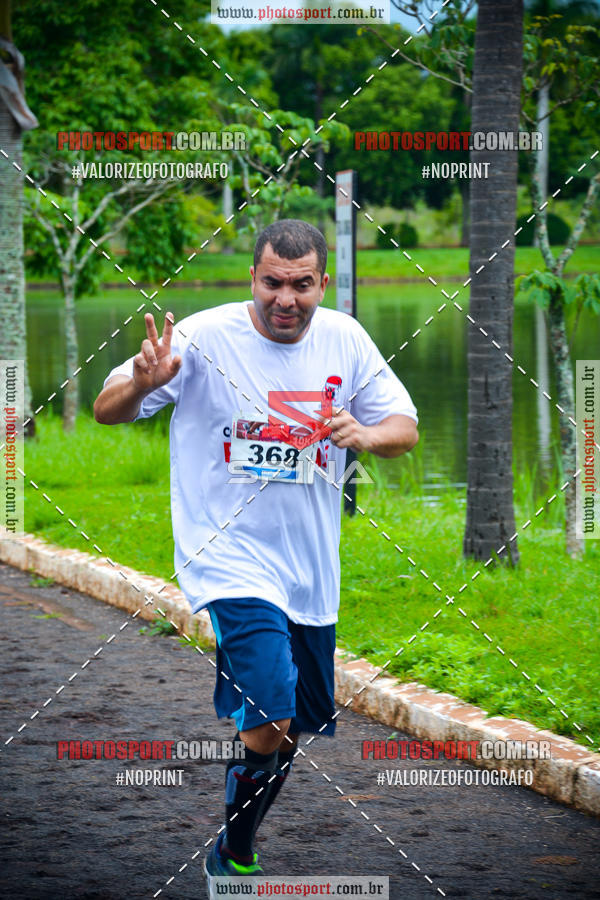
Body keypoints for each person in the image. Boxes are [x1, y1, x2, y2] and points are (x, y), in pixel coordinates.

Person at [93, 219, 418, 893]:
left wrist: (364, 431)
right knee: (270, 708)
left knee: (291, 726)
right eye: (273, 282)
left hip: (309, 571)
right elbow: (107, 409)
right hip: (227, 555)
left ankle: (233, 846)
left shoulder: (346, 338)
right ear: (253, 278)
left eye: (302, 285)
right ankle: (234, 853)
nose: (286, 298)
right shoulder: (203, 337)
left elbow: (405, 427)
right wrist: (141, 382)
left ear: (322, 283)